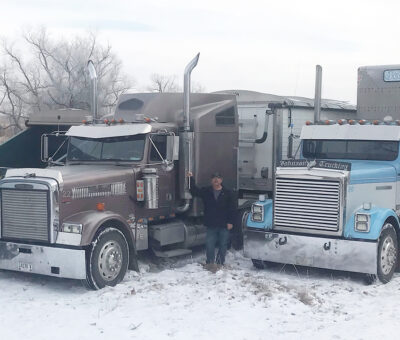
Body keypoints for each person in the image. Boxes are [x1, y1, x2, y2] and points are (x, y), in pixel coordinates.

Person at [187, 171, 235, 266]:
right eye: (214, 178)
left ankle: (220, 263)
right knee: (209, 245)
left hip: (224, 224)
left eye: (218, 178)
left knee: (223, 245)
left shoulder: (228, 193)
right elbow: (194, 191)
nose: (216, 180)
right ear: (211, 180)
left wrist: (230, 222)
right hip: (211, 224)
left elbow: (232, 209)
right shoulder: (206, 191)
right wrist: (190, 178)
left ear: (221, 180)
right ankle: (210, 263)